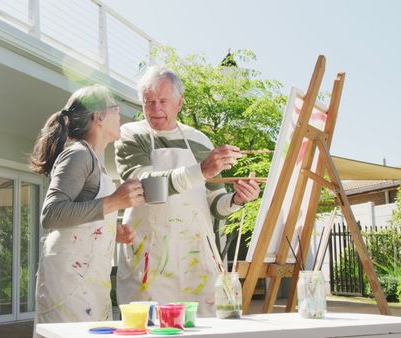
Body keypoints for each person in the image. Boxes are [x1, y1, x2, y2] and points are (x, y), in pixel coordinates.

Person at [114, 66, 261, 315]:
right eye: (148, 102)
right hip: (149, 256)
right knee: (150, 327)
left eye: (163, 101)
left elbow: (215, 203)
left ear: (179, 102)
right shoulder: (130, 134)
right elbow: (144, 185)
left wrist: (237, 199)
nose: (155, 109)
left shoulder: (200, 140)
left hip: (195, 259)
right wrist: (200, 171)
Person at [30, 85, 144, 333]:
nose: (120, 114)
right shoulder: (78, 155)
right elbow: (52, 214)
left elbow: (83, 215)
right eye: (116, 108)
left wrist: (113, 230)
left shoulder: (96, 160)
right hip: (69, 283)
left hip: (91, 280)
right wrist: (115, 202)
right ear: (98, 117)